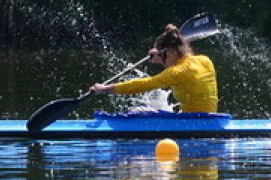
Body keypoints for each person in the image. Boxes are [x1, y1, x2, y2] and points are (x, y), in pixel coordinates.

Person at [90, 24, 218, 113]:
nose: (163, 62)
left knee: (136, 111)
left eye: (162, 56)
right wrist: (161, 56)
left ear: (170, 52)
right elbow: (186, 70)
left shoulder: (176, 72)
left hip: (192, 122)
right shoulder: (205, 60)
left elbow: (144, 84)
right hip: (209, 119)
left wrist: (106, 89)